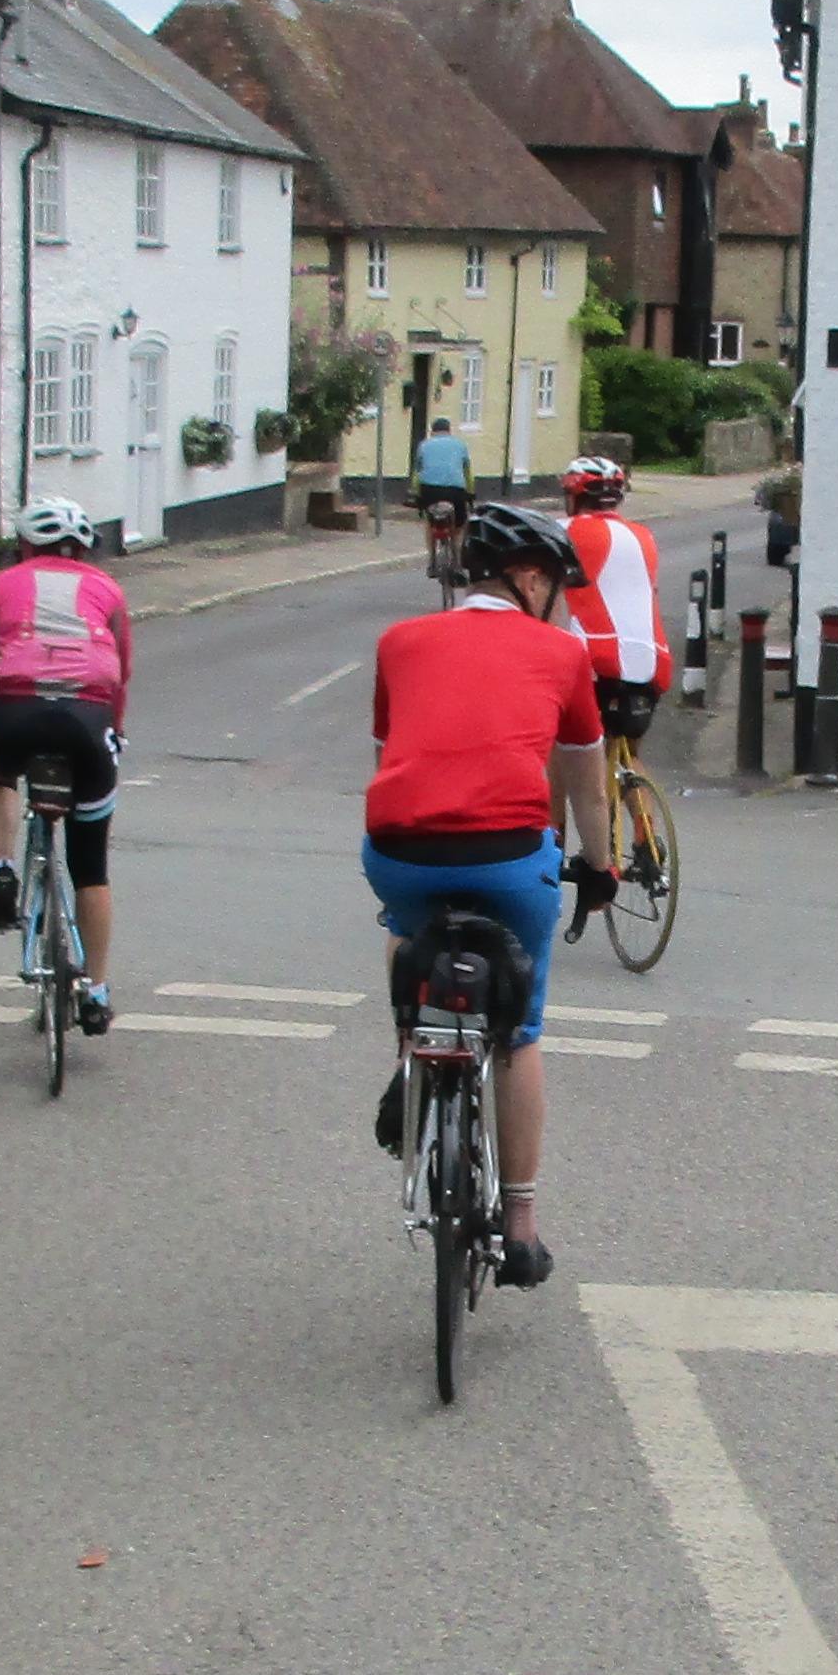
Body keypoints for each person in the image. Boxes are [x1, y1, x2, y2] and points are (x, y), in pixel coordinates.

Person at [364, 500, 615, 1286]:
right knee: (518, 1031)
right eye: (559, 588)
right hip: (511, 859)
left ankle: (412, 1049)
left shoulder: (399, 642)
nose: (562, 605)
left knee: (405, 928)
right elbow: (587, 788)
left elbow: (388, 750)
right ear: (530, 578)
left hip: (401, 849)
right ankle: (521, 1227)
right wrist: (600, 870)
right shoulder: (563, 655)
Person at [0, 498, 131, 1028]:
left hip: (18, 710)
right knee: (91, 869)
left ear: (24, 547)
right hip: (89, 716)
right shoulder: (110, 591)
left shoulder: (0, 586)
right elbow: (121, 673)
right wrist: (115, 732)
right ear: (85, 550)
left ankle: (2, 868)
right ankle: (96, 993)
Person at [557, 453, 668, 742]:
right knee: (628, 749)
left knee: (565, 743)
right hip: (654, 661)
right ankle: (632, 782)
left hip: (595, 661)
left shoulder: (564, 532)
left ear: (574, 496)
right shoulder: (644, 535)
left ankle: (569, 790)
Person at [413, 410, 476, 576]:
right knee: (459, 526)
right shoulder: (460, 445)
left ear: (432, 431)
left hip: (430, 489)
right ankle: (457, 563)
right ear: (449, 431)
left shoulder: (424, 445)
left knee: (429, 521)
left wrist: (416, 496)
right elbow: (467, 473)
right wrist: (471, 494)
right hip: (455, 491)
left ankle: (432, 561)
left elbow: (417, 473)